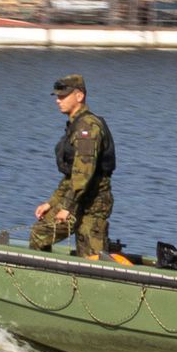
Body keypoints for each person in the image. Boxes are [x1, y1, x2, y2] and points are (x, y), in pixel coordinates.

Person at [30, 74, 115, 258]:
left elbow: (83, 175)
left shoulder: (87, 128)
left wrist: (66, 207)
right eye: (57, 97)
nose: (58, 101)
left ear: (79, 96)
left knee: (92, 258)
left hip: (93, 204)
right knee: (40, 232)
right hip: (78, 200)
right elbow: (71, 175)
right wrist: (52, 203)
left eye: (63, 96)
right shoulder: (75, 126)